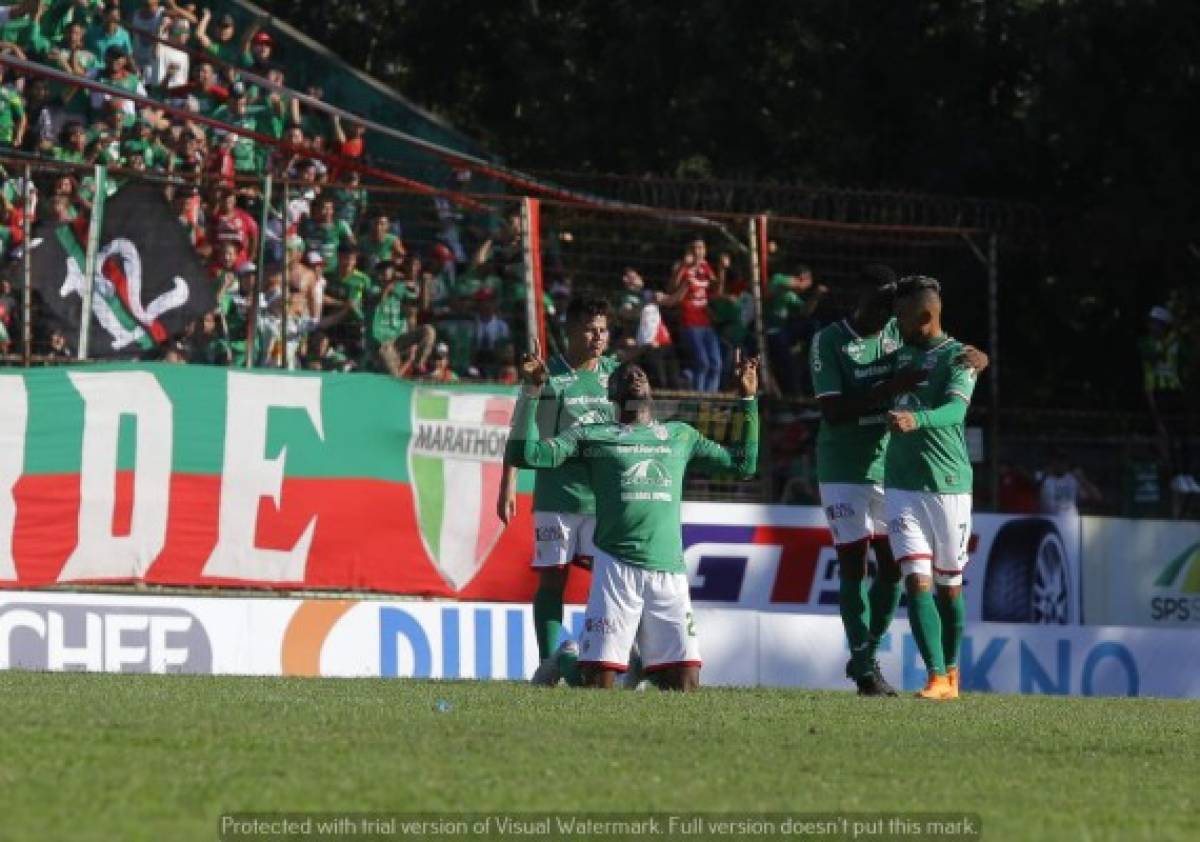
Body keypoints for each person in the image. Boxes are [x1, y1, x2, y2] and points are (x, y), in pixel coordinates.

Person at [509, 349, 760, 691]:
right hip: (616, 568)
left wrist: (748, 399)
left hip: (668, 570)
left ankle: (645, 664)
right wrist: (531, 393)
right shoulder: (592, 437)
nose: (634, 376)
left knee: (685, 687)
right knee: (599, 687)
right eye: (624, 376)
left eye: (640, 373)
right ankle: (566, 659)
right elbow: (525, 455)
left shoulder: (679, 435)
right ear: (611, 394)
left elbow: (743, 466)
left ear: (651, 389)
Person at [811, 265, 989, 695]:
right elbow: (833, 411)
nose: (885, 317)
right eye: (878, 306)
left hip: (891, 469)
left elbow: (942, 350)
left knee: (893, 570)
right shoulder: (830, 340)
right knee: (855, 565)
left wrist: (979, 358)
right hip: (844, 467)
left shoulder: (900, 331)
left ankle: (870, 650)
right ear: (860, 300)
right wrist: (892, 386)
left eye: (891, 309)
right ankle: (867, 664)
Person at [497, 297, 620, 684]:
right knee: (553, 580)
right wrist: (508, 485)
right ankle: (549, 662)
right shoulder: (547, 374)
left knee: (608, 583)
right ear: (568, 331)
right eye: (589, 329)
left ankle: (600, 659)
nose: (598, 337)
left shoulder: (616, 374)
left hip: (603, 500)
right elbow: (520, 428)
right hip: (557, 497)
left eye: (603, 329)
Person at [883, 276, 977, 701]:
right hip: (901, 485)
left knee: (948, 587)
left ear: (925, 316)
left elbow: (956, 410)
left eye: (902, 316)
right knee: (915, 581)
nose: (895, 323)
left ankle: (953, 673)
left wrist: (916, 420)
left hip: (949, 486)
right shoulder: (897, 352)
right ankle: (937, 677)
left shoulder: (960, 357)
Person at [1139, 306, 1197, 495]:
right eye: (1151, 323)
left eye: (1156, 324)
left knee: (1185, 434)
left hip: (1176, 391)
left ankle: (1188, 475)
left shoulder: (1176, 343)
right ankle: (1175, 476)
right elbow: (1153, 357)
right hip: (1159, 392)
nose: (1152, 327)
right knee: (1168, 435)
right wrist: (1169, 341)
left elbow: (1189, 359)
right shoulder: (1146, 342)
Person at [660, 238, 722, 392]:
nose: (698, 252)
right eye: (695, 248)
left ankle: (710, 400)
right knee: (702, 363)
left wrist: (722, 269)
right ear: (689, 251)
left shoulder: (705, 267)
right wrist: (682, 266)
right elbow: (671, 290)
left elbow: (717, 289)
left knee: (716, 364)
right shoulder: (682, 268)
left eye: (701, 248)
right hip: (689, 323)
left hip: (706, 322)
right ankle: (698, 399)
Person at [1038, 450, 1102, 516]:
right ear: (1053, 462)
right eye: (1058, 461)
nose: (1061, 464)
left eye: (1063, 461)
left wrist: (1083, 480)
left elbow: (1097, 497)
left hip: (1070, 519)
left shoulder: (1073, 480)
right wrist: (1043, 479)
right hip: (1050, 519)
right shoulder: (1045, 478)